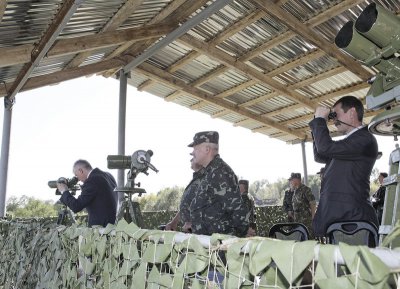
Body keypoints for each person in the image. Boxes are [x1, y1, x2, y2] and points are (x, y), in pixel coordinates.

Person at [309, 95, 379, 237]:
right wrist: (316, 127)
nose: (334, 120)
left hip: (353, 222)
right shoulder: (348, 144)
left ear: (352, 112)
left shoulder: (364, 139)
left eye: (336, 114)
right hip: (340, 221)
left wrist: (320, 121)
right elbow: (320, 155)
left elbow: (325, 148)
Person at [187, 131, 250, 237]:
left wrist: (237, 238)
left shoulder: (220, 172)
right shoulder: (210, 172)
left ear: (207, 150)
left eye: (195, 148)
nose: (193, 152)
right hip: (209, 242)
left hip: (219, 245)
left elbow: (237, 210)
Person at [57, 159, 117, 227]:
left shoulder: (92, 180)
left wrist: (64, 191)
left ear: (81, 171)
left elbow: (76, 206)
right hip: (112, 226)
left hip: (100, 230)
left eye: (76, 175)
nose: (78, 179)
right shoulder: (108, 175)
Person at [165, 158, 205, 232]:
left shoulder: (208, 179)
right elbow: (186, 205)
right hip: (190, 231)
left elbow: (213, 205)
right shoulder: (196, 179)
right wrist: (174, 222)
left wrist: (195, 224)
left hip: (202, 232)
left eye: (194, 158)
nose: (190, 160)